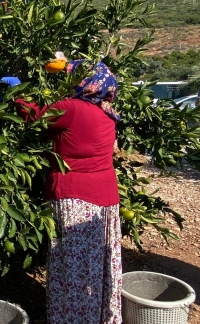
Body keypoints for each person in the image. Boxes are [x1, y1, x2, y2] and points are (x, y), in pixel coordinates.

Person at [13, 60, 122, 324]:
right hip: (106, 199)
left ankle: (72, 318)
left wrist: (14, 94)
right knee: (97, 267)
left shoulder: (72, 108)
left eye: (75, 77)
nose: (71, 81)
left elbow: (36, 115)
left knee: (72, 269)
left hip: (76, 198)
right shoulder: (108, 112)